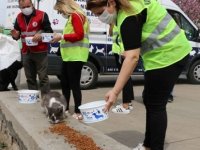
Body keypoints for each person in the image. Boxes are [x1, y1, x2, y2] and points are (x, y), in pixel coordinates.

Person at [86, 0, 191, 149]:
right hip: (166, 53)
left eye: (99, 13)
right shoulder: (131, 5)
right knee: (149, 99)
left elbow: (133, 58)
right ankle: (148, 144)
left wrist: (115, 91)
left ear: (111, 3)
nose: (99, 18)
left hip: (168, 56)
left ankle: (154, 146)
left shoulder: (128, 16)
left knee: (156, 105)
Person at [51, 0, 89, 120]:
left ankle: (78, 111)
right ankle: (65, 108)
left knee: (74, 84)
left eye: (60, 10)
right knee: (65, 83)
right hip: (69, 57)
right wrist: (60, 37)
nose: (60, 13)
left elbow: (79, 35)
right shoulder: (73, 17)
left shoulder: (76, 16)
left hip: (76, 56)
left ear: (65, 6)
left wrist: (62, 36)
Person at [11, 0, 53, 97]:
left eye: (27, 6)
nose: (26, 9)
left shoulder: (42, 15)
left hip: (40, 51)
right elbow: (17, 34)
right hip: (26, 51)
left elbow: (49, 31)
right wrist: (15, 35)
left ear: (32, 5)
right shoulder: (18, 17)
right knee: (30, 77)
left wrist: (41, 34)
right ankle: (33, 97)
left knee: (43, 77)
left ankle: (47, 100)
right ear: (20, 7)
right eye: (23, 7)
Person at [109, 24, 134, 114]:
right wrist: (110, 25)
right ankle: (129, 102)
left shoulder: (121, 20)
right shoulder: (114, 22)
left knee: (124, 77)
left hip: (123, 52)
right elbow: (111, 34)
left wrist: (124, 51)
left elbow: (128, 36)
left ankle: (125, 105)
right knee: (127, 77)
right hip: (118, 51)